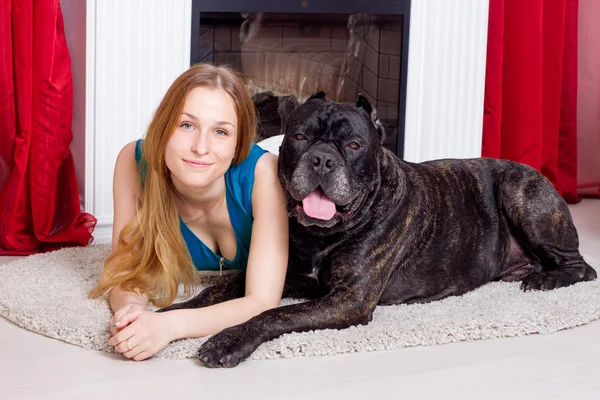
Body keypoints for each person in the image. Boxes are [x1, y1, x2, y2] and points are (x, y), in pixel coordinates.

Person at [89, 63, 289, 361]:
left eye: (221, 131)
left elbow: (261, 301)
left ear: (238, 145)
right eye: (187, 125)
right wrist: (131, 311)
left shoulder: (265, 174)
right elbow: (124, 271)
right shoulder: (133, 161)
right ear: (164, 127)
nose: (201, 147)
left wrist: (169, 324)